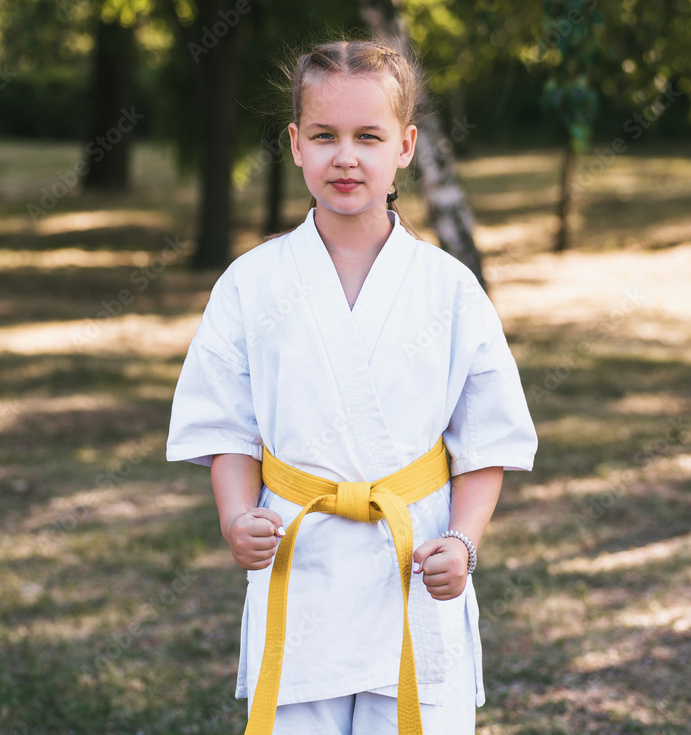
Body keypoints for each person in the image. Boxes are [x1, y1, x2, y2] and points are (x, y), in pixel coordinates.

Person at [166, 39, 537, 735]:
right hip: (300, 565)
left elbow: (486, 439)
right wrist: (234, 514)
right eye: (324, 135)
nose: (346, 156)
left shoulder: (449, 288)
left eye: (368, 136)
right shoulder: (252, 283)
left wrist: (463, 543)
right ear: (295, 144)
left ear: (405, 145)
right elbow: (225, 424)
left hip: (415, 563)